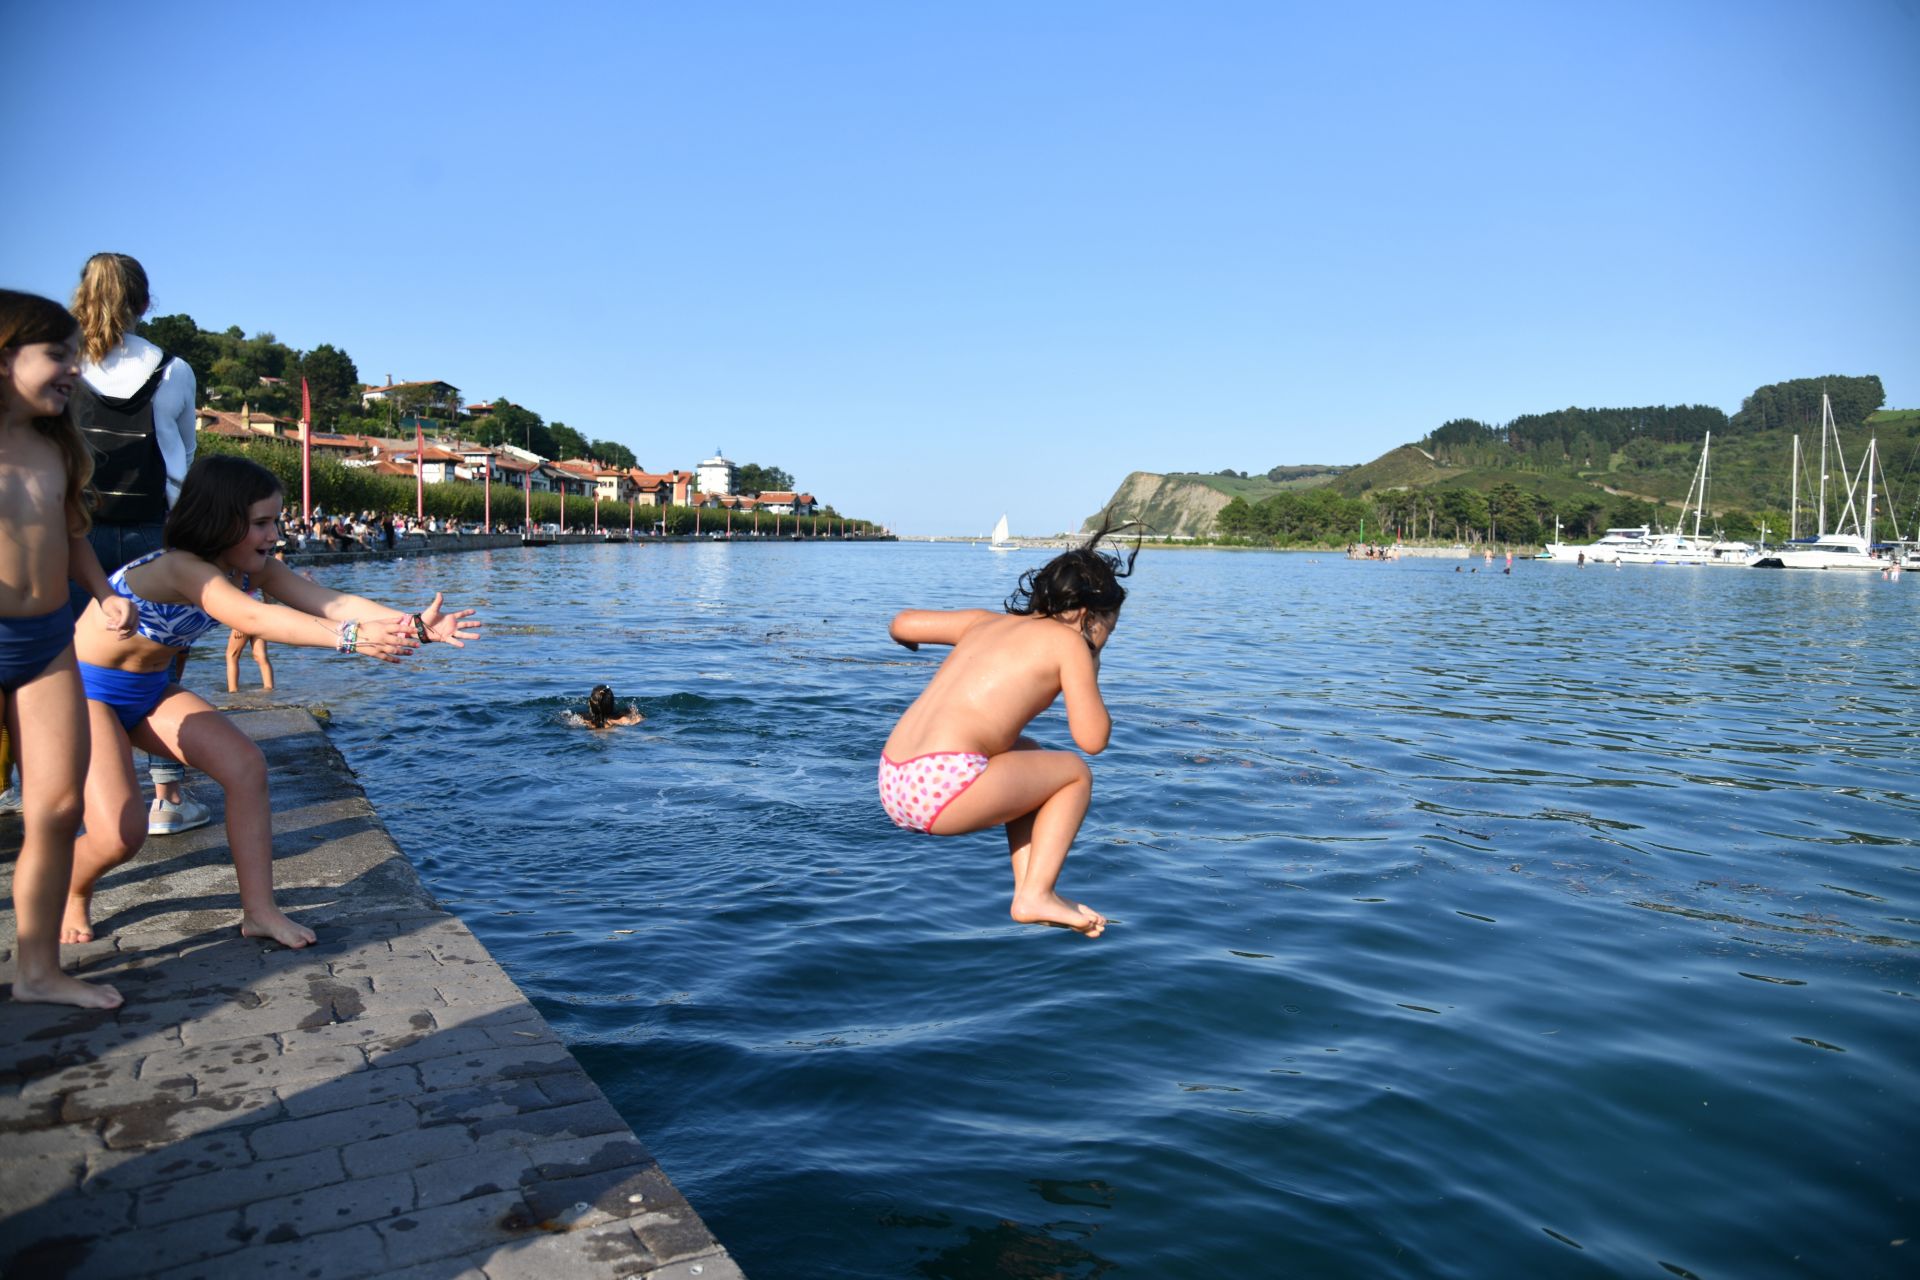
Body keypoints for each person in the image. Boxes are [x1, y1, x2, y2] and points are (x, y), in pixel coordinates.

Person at [62, 454, 482, 951]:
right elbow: (255, 620)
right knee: (119, 835)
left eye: (276, 520)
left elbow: (333, 603)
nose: (274, 534)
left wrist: (415, 626)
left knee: (245, 766)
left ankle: (260, 912)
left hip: (148, 692)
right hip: (85, 691)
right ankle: (71, 886)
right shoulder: (182, 569)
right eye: (261, 523)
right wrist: (352, 640)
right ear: (218, 520)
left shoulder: (252, 568)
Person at [878, 520, 1137, 938]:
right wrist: (1092, 666)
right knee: (1073, 773)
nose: (1107, 638)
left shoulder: (982, 624)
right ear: (1090, 617)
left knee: (1030, 753)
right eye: (1111, 627)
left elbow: (902, 622)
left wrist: (909, 642)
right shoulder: (1069, 644)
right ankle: (1035, 894)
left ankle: (1029, 890)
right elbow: (1093, 740)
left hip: (894, 779)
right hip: (943, 786)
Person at [1, 289, 139, 1007]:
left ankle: (37, 971)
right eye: (57, 355)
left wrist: (103, 591)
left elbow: (72, 531)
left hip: (49, 638)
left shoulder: (55, 443)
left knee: (55, 808)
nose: (72, 372)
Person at [68, 252, 209, 838]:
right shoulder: (172, 369)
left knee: (64, 657)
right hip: (152, 527)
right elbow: (187, 451)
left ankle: (58, 786)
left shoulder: (62, 362)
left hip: (73, 528)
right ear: (146, 303)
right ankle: (167, 798)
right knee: (159, 659)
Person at [572, 684, 644, 729]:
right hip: (615, 732)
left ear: (590, 703)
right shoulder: (623, 719)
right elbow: (639, 719)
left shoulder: (581, 719)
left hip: (592, 732)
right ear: (612, 702)